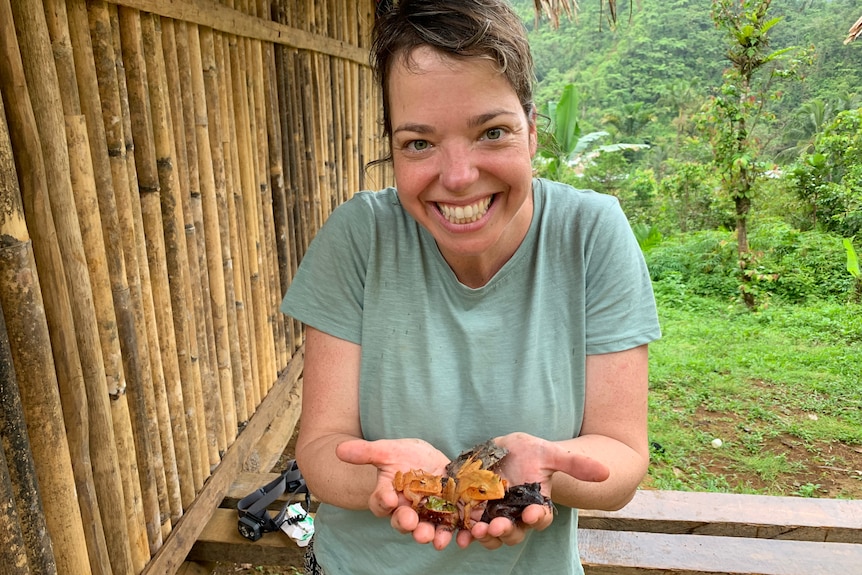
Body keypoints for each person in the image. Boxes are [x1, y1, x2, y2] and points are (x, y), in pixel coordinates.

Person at [280, 0, 661, 573]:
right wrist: (383, 485)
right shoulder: (359, 237)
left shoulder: (591, 233)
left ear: (532, 131)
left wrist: (549, 469)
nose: (457, 177)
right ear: (391, 146)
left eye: (492, 132)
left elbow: (623, 456)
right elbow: (320, 449)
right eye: (418, 143)